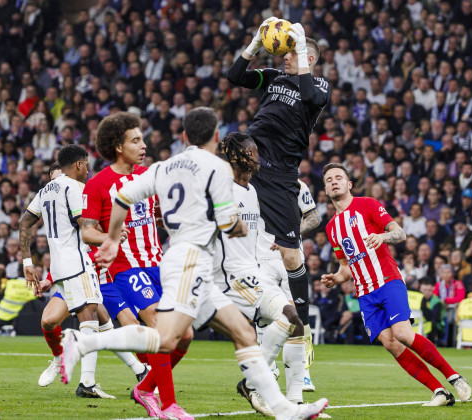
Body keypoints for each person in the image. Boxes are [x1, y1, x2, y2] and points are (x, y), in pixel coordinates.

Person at [59, 107, 329, 420]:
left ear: (185, 136)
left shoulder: (162, 167)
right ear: (215, 136)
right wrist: (236, 226)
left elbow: (122, 200)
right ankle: (84, 342)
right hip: (191, 259)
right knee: (166, 337)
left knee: (241, 332)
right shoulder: (215, 168)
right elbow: (229, 221)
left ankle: (283, 409)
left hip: (182, 261)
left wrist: (111, 237)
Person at [320, 163, 471, 406]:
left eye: (339, 177)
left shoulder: (367, 204)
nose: (333, 181)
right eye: (329, 180)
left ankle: (454, 376)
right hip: (364, 293)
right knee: (390, 343)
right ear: (325, 189)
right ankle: (439, 392)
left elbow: (400, 234)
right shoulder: (331, 228)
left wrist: (382, 236)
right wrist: (337, 278)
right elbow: (345, 266)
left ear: (349, 184)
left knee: (402, 334)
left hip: (387, 280)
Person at [226, 18, 331, 362]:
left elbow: (311, 95)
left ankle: (300, 324)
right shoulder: (273, 78)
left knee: (291, 256)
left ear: (309, 59)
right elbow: (235, 76)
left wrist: (300, 46)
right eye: (284, 50)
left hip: (283, 175)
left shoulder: (319, 86)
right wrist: (255, 43)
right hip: (252, 161)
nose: (284, 56)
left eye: (292, 52)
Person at [81, 111, 193, 418]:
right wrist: (107, 235)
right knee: (157, 326)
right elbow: (86, 229)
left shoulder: (151, 176)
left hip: (159, 265)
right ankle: (168, 404)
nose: (143, 144)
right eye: (135, 140)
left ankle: (144, 387)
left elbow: (158, 214)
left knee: (184, 335)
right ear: (118, 146)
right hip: (125, 269)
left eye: (141, 138)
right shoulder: (98, 184)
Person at [213, 132, 309, 415]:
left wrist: (273, 244)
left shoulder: (251, 191)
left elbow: (251, 237)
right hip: (231, 276)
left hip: (252, 272)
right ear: (236, 155)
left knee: (296, 323)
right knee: (290, 316)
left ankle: (294, 400)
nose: (257, 156)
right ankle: (253, 382)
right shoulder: (221, 189)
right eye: (252, 151)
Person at [32, 163, 148, 396]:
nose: (60, 186)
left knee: (125, 325)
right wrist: (50, 278)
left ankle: (145, 372)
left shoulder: (91, 202)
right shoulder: (62, 210)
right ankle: (62, 360)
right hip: (76, 275)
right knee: (49, 321)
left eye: (63, 178)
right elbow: (68, 250)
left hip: (103, 276)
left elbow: (102, 240)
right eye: (54, 181)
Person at [19, 145, 106, 398]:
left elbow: (24, 223)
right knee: (90, 317)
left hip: (58, 269)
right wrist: (111, 238)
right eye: (87, 164)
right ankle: (88, 383)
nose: (88, 170)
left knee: (76, 317)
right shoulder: (77, 188)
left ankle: (134, 369)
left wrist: (27, 264)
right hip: (78, 263)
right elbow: (86, 229)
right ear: (78, 165)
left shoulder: (45, 190)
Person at [256, 178, 321, 391]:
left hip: (291, 257)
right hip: (260, 259)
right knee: (263, 314)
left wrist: (291, 236)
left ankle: (303, 374)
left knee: (296, 316)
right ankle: (270, 367)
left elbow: (313, 216)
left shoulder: (297, 184)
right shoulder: (250, 182)